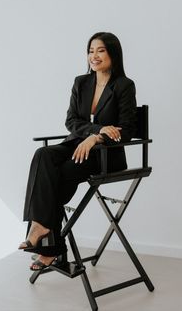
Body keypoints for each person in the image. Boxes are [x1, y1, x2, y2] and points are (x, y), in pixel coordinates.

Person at [18, 32, 137, 271]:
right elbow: (71, 121)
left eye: (100, 50)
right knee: (43, 155)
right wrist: (98, 128)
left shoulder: (124, 86)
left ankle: (46, 239)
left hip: (105, 155)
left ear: (113, 53)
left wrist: (96, 137)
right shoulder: (80, 82)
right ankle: (44, 232)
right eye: (91, 50)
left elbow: (126, 130)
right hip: (75, 144)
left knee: (58, 175)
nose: (94, 56)